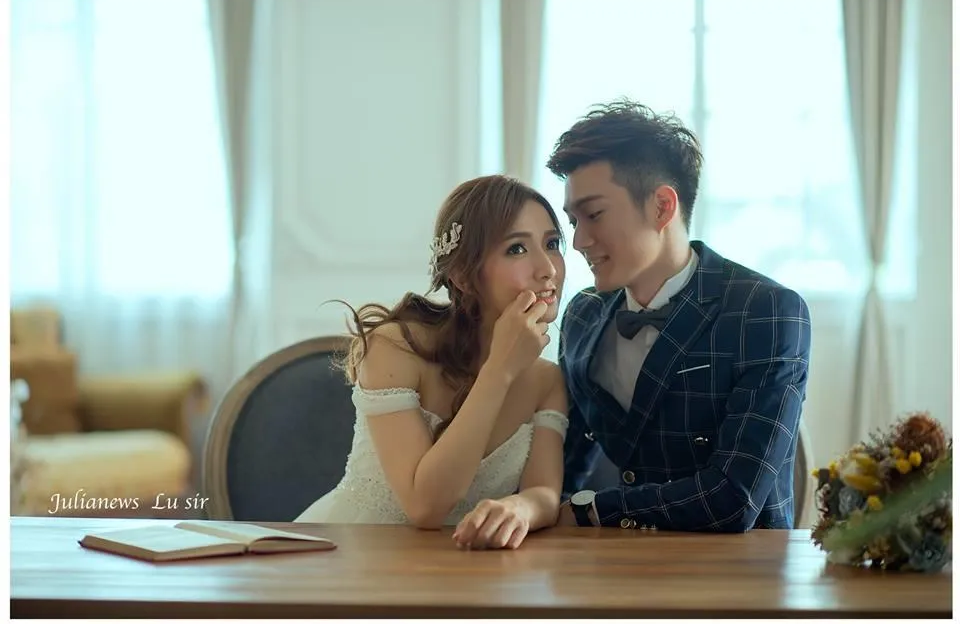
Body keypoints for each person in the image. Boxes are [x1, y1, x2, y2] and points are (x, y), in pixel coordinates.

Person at [549, 100, 811, 532]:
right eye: (573, 221)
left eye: (593, 215)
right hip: (609, 559)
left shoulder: (767, 311)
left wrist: (590, 510)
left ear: (662, 207)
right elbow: (565, 465)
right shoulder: (582, 314)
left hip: (741, 566)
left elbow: (734, 499)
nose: (579, 241)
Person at [295, 175, 570, 550]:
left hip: (467, 566)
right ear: (463, 276)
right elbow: (425, 507)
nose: (548, 268)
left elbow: (545, 493)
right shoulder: (395, 348)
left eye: (552, 244)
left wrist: (519, 508)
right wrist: (499, 370)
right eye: (517, 249)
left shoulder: (547, 380)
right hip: (354, 554)